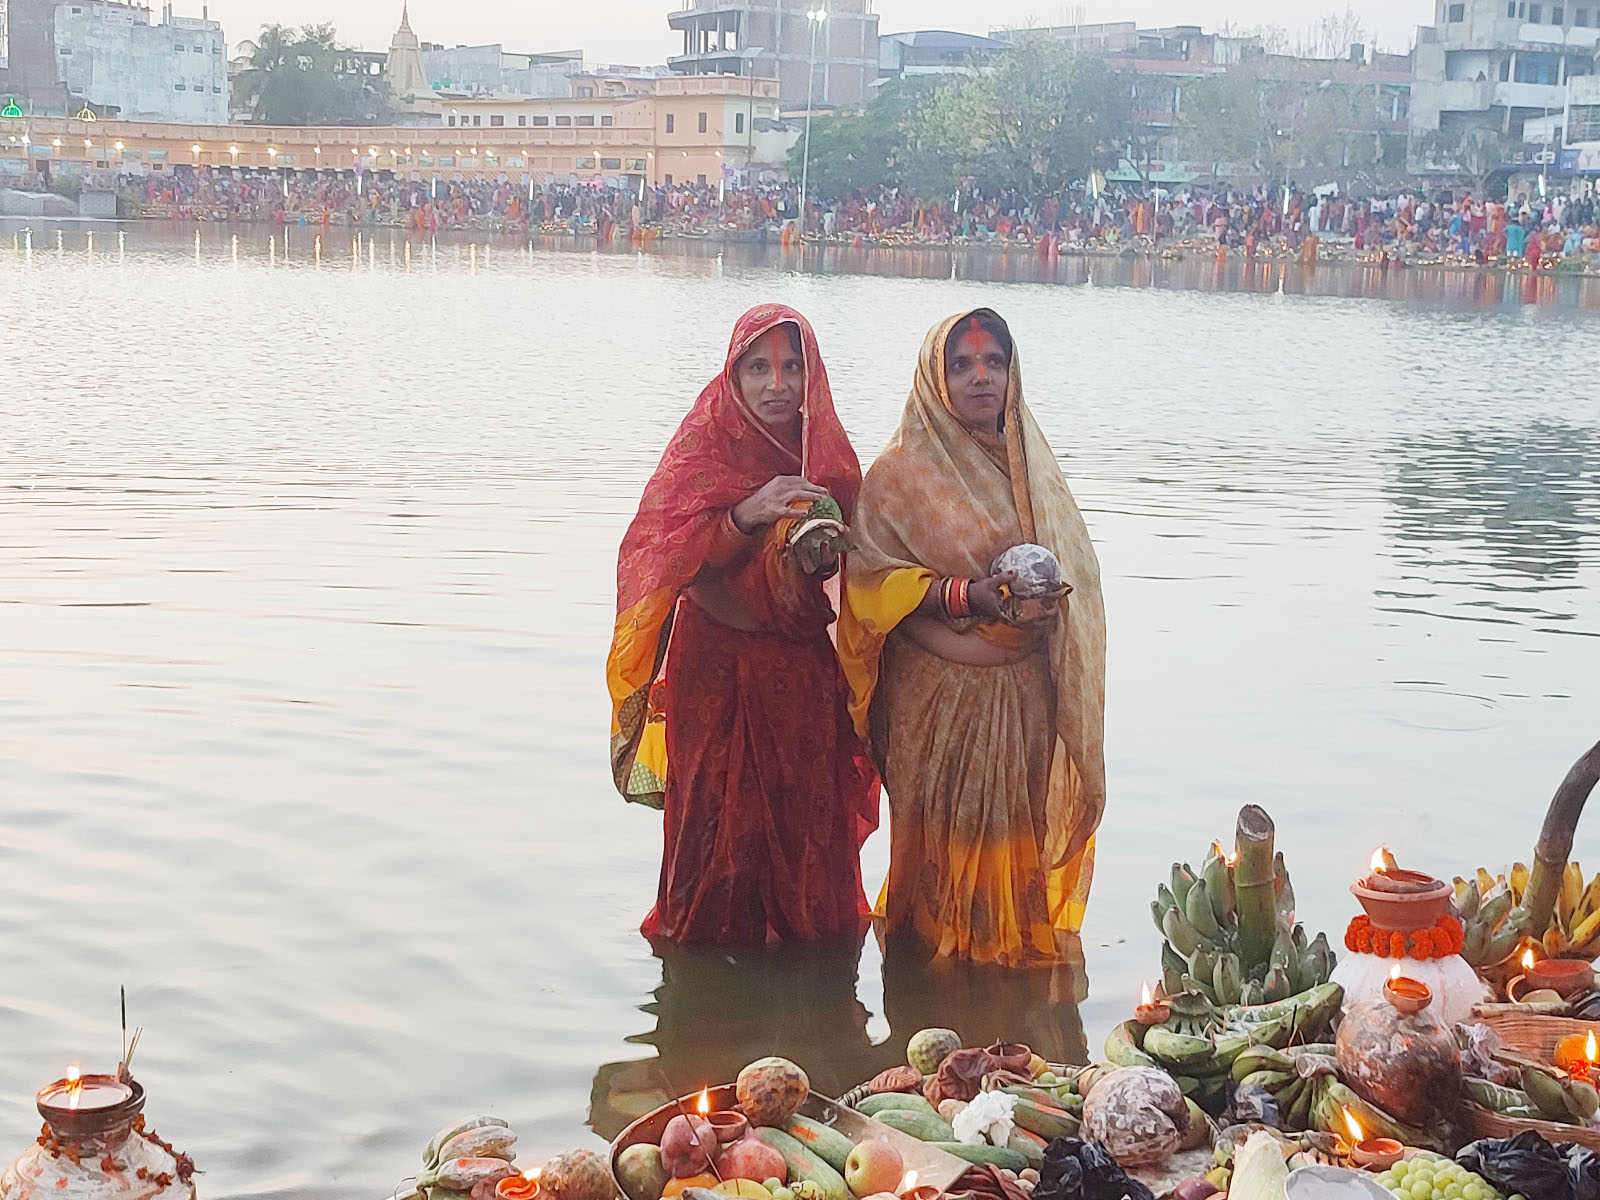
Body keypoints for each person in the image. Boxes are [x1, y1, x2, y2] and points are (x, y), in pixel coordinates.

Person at [840, 309, 1107, 967]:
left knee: (1011, 860)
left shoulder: (1031, 469)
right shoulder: (898, 476)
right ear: (936, 379)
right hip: (937, 701)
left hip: (1023, 698)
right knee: (943, 869)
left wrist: (1040, 610)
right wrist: (969, 598)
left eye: (994, 362)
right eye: (961, 364)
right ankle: (927, 998)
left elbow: (1072, 568)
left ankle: (1004, 1003)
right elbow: (870, 587)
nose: (981, 376)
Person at [606, 304, 878, 946]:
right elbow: (658, 556)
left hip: (803, 671)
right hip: (717, 668)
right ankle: (702, 990)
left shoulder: (830, 463)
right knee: (713, 824)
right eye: (758, 367)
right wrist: (747, 515)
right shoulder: (703, 449)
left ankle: (812, 975)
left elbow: (863, 570)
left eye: (791, 366)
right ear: (733, 376)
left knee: (805, 824)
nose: (776, 384)